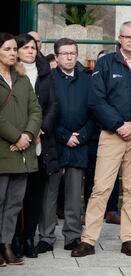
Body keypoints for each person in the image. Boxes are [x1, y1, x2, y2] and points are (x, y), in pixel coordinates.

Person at [71, 21, 131, 257]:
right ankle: (89, 240)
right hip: (112, 136)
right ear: (119, 38)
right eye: (128, 37)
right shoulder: (105, 63)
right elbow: (96, 100)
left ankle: (128, 239)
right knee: (101, 188)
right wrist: (119, 124)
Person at [11, 33, 59, 258]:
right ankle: (13, 239)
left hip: (40, 141)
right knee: (15, 194)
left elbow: (52, 106)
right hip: (16, 141)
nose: (31, 51)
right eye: (26, 48)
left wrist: (40, 129)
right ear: (17, 51)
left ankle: (29, 237)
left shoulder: (46, 74)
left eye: (34, 48)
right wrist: (24, 133)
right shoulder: (10, 73)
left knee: (35, 192)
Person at [0, 32, 42, 266]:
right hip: (3, 149)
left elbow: (36, 110)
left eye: (14, 49)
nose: (13, 53)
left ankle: (6, 245)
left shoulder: (22, 77)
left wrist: (27, 135)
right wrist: (16, 136)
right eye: (7, 49)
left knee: (15, 202)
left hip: (23, 152)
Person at [50, 38, 95, 252]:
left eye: (73, 53)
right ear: (56, 56)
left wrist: (82, 135)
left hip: (79, 143)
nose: (69, 57)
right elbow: (44, 112)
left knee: (74, 193)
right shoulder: (48, 80)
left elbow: (94, 112)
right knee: (49, 193)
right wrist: (63, 135)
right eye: (64, 53)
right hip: (55, 142)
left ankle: (72, 235)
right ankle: (46, 235)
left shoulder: (88, 80)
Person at [82, 49, 121, 225]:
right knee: (92, 175)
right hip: (92, 135)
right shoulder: (90, 81)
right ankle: (88, 211)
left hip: (113, 131)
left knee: (112, 175)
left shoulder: (116, 83)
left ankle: (112, 209)